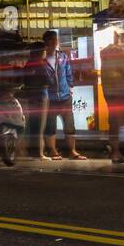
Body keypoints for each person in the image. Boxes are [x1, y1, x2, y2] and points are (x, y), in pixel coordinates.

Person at [39, 30, 85, 160]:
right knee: (50, 126)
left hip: (65, 96)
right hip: (50, 98)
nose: (54, 42)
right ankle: (53, 151)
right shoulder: (42, 59)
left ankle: (72, 151)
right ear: (46, 42)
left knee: (70, 125)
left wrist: (71, 87)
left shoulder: (62, 57)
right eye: (51, 40)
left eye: (55, 39)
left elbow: (69, 72)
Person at [100, 31, 124, 163]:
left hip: (108, 91)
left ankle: (116, 153)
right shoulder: (119, 52)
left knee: (114, 122)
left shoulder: (105, 51)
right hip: (121, 91)